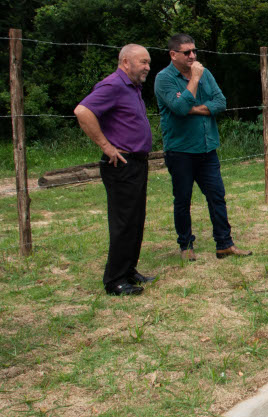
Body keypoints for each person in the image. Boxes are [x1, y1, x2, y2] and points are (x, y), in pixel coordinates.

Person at [154, 34, 252, 261]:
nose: (193, 56)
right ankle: (186, 245)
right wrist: (194, 80)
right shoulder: (164, 78)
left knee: (217, 196)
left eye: (194, 51)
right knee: (183, 199)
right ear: (173, 54)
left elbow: (221, 102)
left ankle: (224, 244)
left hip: (207, 149)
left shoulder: (205, 73)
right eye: (187, 52)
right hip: (180, 150)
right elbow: (178, 108)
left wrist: (194, 108)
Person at [74, 44, 156, 295]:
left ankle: (129, 270)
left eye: (149, 62)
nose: (147, 67)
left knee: (135, 219)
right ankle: (115, 280)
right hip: (121, 164)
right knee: (123, 222)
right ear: (125, 62)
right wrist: (107, 147)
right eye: (142, 62)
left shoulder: (132, 87)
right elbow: (83, 111)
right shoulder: (113, 85)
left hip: (137, 163)